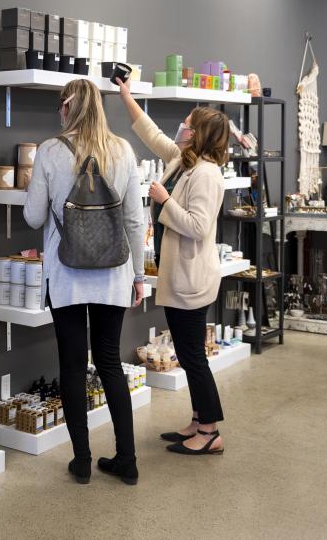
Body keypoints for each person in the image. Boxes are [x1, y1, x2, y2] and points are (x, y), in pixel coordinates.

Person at [24, 79, 147, 485]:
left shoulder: (50, 151)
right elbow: (134, 220)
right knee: (110, 362)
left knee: (73, 366)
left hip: (67, 276)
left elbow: (33, 217)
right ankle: (127, 460)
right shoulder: (123, 151)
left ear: (66, 108)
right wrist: (140, 276)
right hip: (114, 273)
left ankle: (81, 461)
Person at [116, 76, 229, 456]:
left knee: (193, 355)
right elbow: (151, 134)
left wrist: (165, 201)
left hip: (191, 279)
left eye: (188, 123)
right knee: (187, 349)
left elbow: (198, 227)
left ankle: (211, 431)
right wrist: (126, 96)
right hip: (179, 275)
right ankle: (198, 420)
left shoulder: (208, 175)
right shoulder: (183, 161)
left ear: (199, 134)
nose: (182, 126)